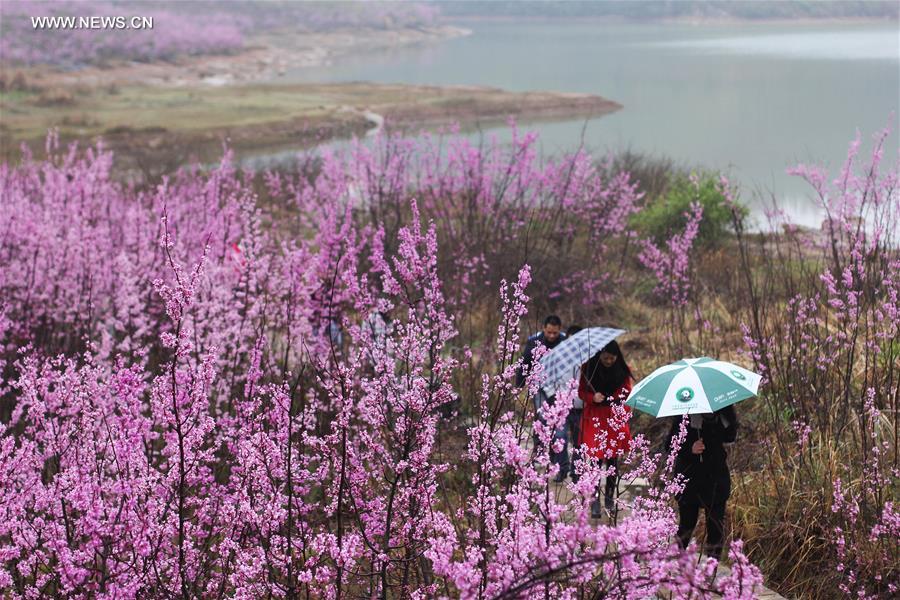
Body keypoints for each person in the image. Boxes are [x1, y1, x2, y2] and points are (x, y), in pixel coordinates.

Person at [666, 406, 738, 559]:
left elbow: (730, 436)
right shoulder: (686, 410)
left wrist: (727, 419)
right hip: (689, 478)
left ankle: (712, 570)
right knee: (687, 524)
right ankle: (677, 564)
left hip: (716, 477)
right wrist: (690, 448)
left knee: (716, 527)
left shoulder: (724, 409)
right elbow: (669, 445)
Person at [577, 340, 633, 518]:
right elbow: (581, 392)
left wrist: (613, 397)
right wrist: (593, 397)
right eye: (606, 358)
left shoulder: (623, 369)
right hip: (595, 417)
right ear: (599, 355)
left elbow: (627, 392)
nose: (609, 361)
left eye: (612, 358)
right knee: (595, 459)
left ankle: (609, 497)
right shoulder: (588, 369)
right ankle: (594, 500)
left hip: (614, 416)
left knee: (613, 460)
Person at [516, 315, 568, 481]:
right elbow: (525, 363)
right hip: (539, 388)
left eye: (555, 332)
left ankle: (561, 466)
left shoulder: (565, 341)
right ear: (544, 328)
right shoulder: (534, 341)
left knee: (559, 428)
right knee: (543, 422)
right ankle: (542, 457)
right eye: (549, 332)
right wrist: (519, 385)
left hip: (560, 389)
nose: (552, 335)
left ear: (559, 329)